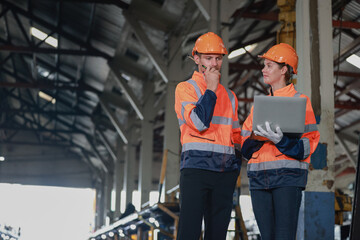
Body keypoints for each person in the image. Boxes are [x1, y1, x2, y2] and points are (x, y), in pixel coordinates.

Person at [240, 43, 320, 240]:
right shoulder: (258, 107)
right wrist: (258, 138)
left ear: (284, 69)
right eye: (264, 65)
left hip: (288, 178)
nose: (263, 69)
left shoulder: (301, 102)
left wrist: (281, 140)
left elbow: (307, 147)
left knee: (284, 236)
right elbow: (244, 147)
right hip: (258, 180)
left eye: (269, 65)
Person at [174, 32, 242, 240]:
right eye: (208, 58)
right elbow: (198, 122)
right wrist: (211, 89)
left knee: (218, 235)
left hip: (224, 173)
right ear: (197, 59)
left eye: (218, 58)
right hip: (196, 170)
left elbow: (237, 137)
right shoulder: (186, 88)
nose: (214, 63)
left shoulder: (230, 96)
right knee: (190, 232)